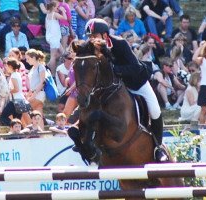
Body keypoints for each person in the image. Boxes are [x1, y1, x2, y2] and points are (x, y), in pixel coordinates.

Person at [72, 18, 169, 162]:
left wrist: (114, 69)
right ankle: (87, 140)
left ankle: (158, 147)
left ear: (105, 35)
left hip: (137, 83)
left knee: (155, 110)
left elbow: (135, 67)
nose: (91, 39)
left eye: (94, 36)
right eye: (90, 37)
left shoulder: (120, 43)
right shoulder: (92, 49)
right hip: (112, 87)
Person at [0, 57, 31, 127]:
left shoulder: (13, 75)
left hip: (15, 101)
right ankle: (18, 130)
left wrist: (8, 91)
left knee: (3, 117)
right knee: (17, 119)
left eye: (7, 66)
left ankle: (15, 127)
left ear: (10, 66)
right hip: (20, 100)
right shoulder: (17, 74)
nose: (6, 68)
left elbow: (16, 89)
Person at [25, 49, 46, 130]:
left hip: (39, 94)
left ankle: (29, 130)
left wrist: (33, 95)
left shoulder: (40, 67)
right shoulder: (33, 68)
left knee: (24, 111)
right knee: (38, 115)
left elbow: (42, 82)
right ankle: (41, 134)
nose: (27, 61)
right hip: (36, 94)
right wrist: (29, 93)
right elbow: (33, 84)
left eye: (28, 59)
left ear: (33, 57)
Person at [45, 1, 67, 75]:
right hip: (54, 38)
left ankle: (46, 67)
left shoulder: (48, 15)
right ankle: (53, 74)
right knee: (53, 56)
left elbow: (46, 26)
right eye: (57, 7)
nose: (58, 8)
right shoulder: (54, 14)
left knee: (64, 53)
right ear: (53, 7)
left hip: (51, 37)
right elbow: (65, 18)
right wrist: (63, 11)